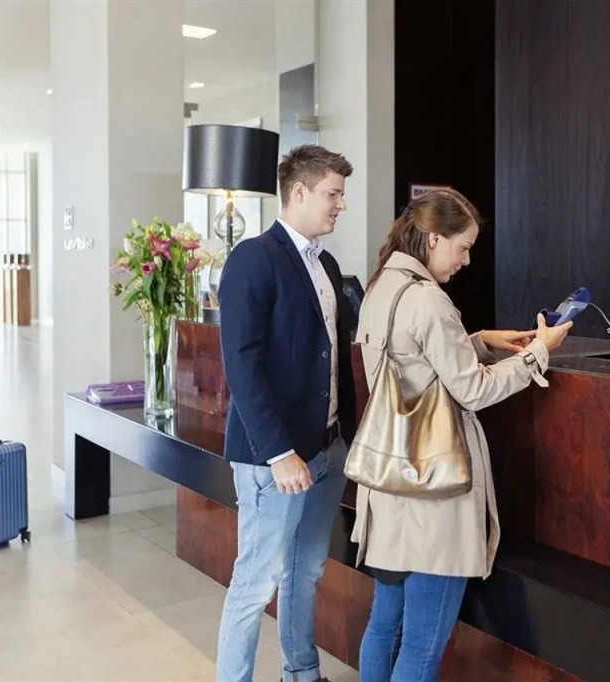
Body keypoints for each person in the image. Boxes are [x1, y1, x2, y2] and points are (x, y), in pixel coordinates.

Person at [352, 189, 573, 682]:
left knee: (384, 626)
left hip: (390, 490)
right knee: (422, 647)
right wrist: (538, 351)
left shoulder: (382, 285)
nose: (467, 260)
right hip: (434, 498)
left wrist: (480, 341)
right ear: (433, 238)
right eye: (463, 247)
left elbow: (414, 363)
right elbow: (472, 390)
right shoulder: (429, 299)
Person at [215, 144, 355, 682]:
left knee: (306, 571)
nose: (341, 204)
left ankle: (302, 673)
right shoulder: (253, 258)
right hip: (274, 457)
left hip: (326, 448)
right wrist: (279, 453)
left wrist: (345, 437)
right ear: (299, 191)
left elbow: (333, 356)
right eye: (332, 193)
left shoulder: (327, 264)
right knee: (256, 583)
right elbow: (242, 364)